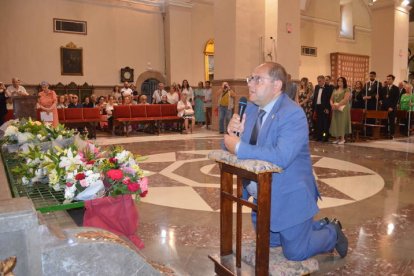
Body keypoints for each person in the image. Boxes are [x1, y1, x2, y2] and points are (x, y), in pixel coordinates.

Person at [224, 62, 347, 261]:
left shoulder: (292, 114)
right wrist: (231, 134)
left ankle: (332, 232)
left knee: (295, 252)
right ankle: (315, 226)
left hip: (290, 198)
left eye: (258, 79)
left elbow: (281, 157)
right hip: (264, 197)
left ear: (276, 86)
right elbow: (232, 149)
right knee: (272, 243)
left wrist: (237, 146)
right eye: (250, 78)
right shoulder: (252, 109)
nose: (251, 84)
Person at [329, 77, 351, 144]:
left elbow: (346, 99)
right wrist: (332, 104)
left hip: (343, 108)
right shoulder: (335, 89)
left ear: (344, 82)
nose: (339, 82)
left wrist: (338, 105)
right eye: (338, 81)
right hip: (335, 108)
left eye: (341, 81)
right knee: (336, 122)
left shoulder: (346, 89)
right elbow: (331, 99)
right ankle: (337, 138)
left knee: (341, 122)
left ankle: (342, 139)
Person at [313, 75, 333, 142]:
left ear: (324, 80)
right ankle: (319, 136)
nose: (318, 82)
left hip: (325, 108)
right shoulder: (316, 87)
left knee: (325, 123)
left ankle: (324, 137)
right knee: (319, 123)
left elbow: (329, 99)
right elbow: (315, 98)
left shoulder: (328, 88)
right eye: (318, 81)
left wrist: (327, 108)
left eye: (320, 81)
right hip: (318, 107)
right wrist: (314, 108)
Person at [380, 74, 400, 139]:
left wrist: (392, 107)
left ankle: (392, 134)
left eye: (389, 79)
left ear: (393, 80)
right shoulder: (383, 88)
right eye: (387, 79)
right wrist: (380, 101)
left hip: (392, 108)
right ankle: (384, 133)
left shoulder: (396, 89)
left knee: (391, 121)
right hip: (384, 107)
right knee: (384, 120)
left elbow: (396, 99)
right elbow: (381, 97)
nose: (388, 80)